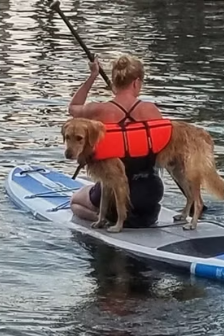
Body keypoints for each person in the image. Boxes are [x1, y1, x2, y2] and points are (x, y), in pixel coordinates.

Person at [67, 54, 165, 228]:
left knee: (75, 201)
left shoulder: (99, 110)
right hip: (150, 192)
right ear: (136, 83)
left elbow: (73, 108)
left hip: (112, 192)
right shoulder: (151, 110)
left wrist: (93, 76)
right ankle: (133, 217)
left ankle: (104, 217)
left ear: (114, 82)